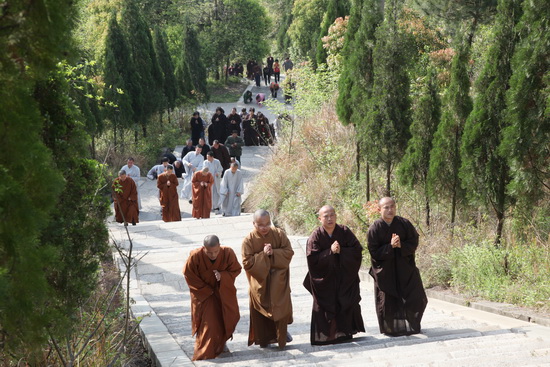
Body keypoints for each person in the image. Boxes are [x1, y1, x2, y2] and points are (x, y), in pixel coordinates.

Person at [303, 205, 365, 345]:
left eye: (332, 215)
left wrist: (341, 251)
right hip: (325, 279)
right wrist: (330, 252)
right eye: (326, 216)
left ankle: (344, 333)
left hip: (344, 277)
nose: (330, 218)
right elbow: (312, 259)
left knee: (346, 302)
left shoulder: (344, 231)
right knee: (326, 305)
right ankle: (328, 336)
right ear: (320, 218)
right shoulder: (316, 236)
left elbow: (356, 250)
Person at [367, 197, 428, 336]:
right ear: (379, 209)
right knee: (389, 301)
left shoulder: (404, 223)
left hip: (405, 268)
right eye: (386, 207)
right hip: (386, 271)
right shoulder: (375, 228)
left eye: (392, 206)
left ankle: (412, 325)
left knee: (418, 297)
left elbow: (414, 242)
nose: (390, 210)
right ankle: (392, 329)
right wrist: (390, 246)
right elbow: (374, 252)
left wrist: (401, 245)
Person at [183, 235, 241, 360]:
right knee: (208, 323)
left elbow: (236, 269)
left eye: (216, 251)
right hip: (204, 294)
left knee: (227, 316)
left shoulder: (228, 252)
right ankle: (205, 351)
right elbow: (189, 275)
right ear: (204, 248)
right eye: (209, 252)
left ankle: (221, 342)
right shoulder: (195, 256)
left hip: (223, 291)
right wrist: (205, 290)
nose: (213, 255)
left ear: (220, 246)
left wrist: (223, 276)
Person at [242, 209, 294, 349]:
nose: (264, 228)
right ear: (254, 224)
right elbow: (247, 263)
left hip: (279, 281)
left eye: (267, 224)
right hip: (260, 282)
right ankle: (265, 339)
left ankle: (282, 336)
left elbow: (289, 252)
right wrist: (263, 256)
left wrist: (274, 253)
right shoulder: (248, 240)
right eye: (260, 225)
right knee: (262, 313)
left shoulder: (278, 234)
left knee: (281, 309)